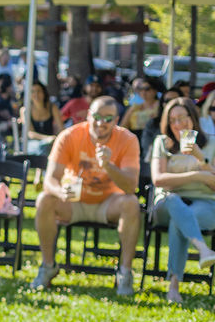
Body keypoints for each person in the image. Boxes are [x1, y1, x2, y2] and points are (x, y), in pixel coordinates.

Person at [29, 96, 141, 296]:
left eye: (108, 118)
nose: (101, 122)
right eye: (96, 116)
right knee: (44, 199)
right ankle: (48, 266)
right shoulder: (69, 135)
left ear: (116, 120)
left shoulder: (128, 139)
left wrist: (108, 166)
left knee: (132, 203)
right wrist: (60, 191)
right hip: (73, 200)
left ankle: (125, 272)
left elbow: (131, 187)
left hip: (108, 203)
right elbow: (49, 180)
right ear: (88, 116)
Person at [149, 97, 215, 302]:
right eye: (172, 120)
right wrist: (197, 176)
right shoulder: (162, 143)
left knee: (181, 219)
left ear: (193, 118)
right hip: (166, 204)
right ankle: (203, 249)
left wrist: (200, 157)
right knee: (173, 201)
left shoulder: (212, 143)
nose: (177, 124)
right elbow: (158, 179)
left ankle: (174, 286)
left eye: (182, 118)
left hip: (204, 202)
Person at [20, 80, 63, 155]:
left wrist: (57, 138)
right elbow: (30, 133)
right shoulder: (25, 110)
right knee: (43, 148)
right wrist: (47, 138)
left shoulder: (52, 107)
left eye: (39, 91)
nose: (36, 94)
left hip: (50, 143)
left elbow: (61, 128)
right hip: (32, 144)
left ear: (44, 93)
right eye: (33, 92)